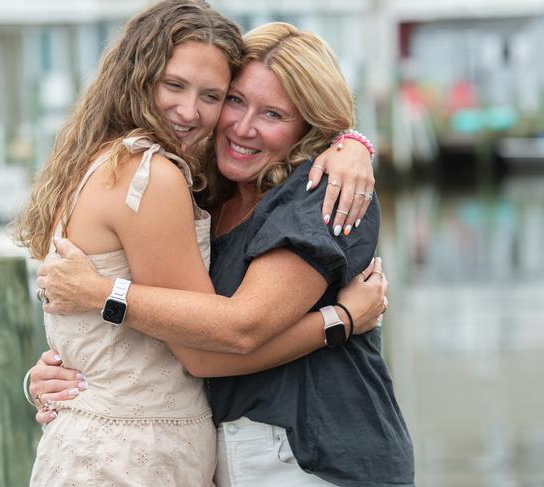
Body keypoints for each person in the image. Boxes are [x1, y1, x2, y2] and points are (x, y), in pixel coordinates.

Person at [30, 20, 413, 487]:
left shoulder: (321, 194)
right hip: (225, 450)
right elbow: (173, 328)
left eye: (273, 114)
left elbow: (236, 330)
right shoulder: (204, 189)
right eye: (234, 100)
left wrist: (100, 294)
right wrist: (74, 373)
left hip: (317, 454)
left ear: (310, 124)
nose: (242, 126)